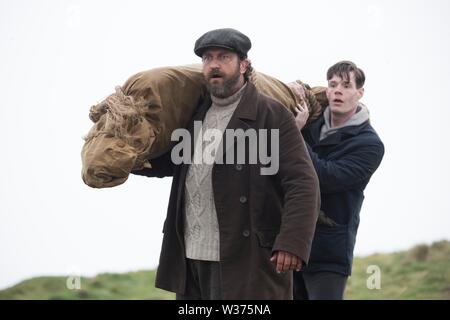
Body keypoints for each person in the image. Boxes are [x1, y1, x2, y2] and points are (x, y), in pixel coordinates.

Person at [132, 28, 320, 299]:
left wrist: (292, 242)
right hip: (191, 257)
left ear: (244, 64)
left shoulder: (271, 114)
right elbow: (177, 162)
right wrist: (131, 159)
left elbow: (303, 182)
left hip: (246, 259)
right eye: (208, 58)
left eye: (223, 57)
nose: (214, 65)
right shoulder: (196, 115)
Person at [289, 61, 385, 300]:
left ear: (360, 92)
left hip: (328, 252)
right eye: (332, 85)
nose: (338, 90)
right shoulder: (310, 124)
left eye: (346, 85)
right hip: (290, 243)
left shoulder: (370, 145)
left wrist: (294, 135)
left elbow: (325, 178)